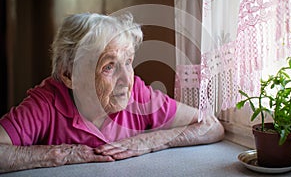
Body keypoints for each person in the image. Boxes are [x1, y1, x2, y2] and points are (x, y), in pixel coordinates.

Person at [0, 13, 224, 173]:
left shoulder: (137, 94)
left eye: (128, 62)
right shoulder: (46, 103)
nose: (127, 80)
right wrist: (63, 155)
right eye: (109, 67)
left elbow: (210, 125)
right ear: (69, 75)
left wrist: (150, 141)